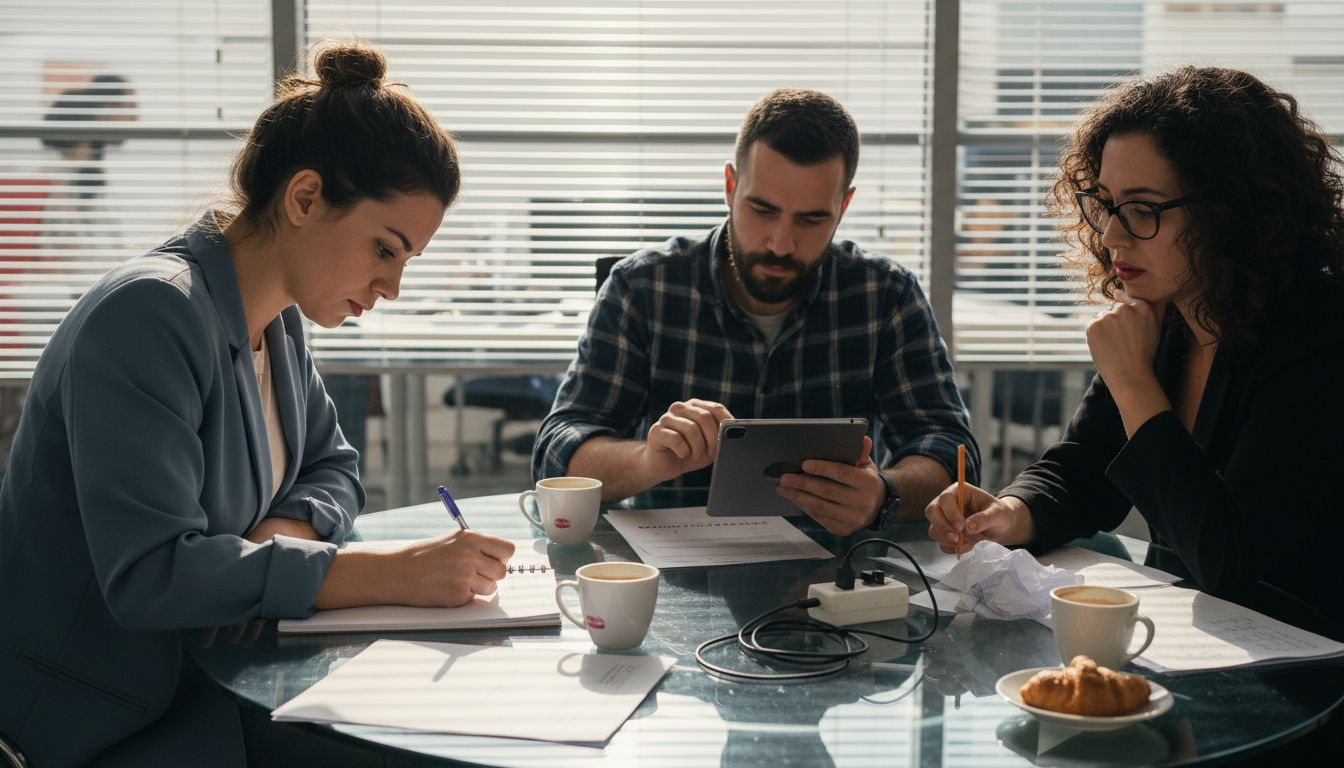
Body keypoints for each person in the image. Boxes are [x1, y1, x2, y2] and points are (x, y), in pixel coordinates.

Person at [0, 43, 516, 766]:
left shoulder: (276, 318)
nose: (393, 286)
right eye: (385, 249)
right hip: (116, 719)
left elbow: (333, 467)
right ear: (305, 198)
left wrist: (280, 536)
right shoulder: (149, 315)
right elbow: (152, 577)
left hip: (228, 679)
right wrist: (393, 573)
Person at [924, 67, 1344, 630]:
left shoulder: (1316, 333)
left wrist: (1134, 384)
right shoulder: (1168, 318)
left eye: (1143, 209)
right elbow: (1081, 473)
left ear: (1230, 214)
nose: (1110, 236)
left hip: (1312, 666)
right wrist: (1009, 512)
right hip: (1211, 646)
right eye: (1105, 203)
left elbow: (1230, 558)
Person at [533, 89, 978, 536]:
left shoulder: (886, 295)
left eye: (811, 219)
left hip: (834, 581)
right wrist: (648, 459)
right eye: (762, 210)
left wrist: (884, 492)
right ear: (730, 186)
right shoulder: (642, 287)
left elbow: (952, 451)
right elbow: (557, 451)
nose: (780, 244)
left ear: (843, 207)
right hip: (672, 578)